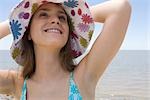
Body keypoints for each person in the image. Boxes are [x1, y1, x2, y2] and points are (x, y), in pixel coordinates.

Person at [0, 0, 131, 100]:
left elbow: (120, 8)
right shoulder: (16, 82)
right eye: (44, 14)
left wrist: (78, 18)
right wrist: (15, 24)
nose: (55, 20)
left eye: (62, 18)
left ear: (69, 32)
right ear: (27, 32)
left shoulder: (83, 77)